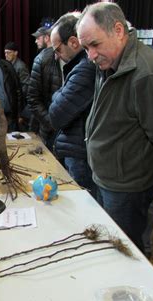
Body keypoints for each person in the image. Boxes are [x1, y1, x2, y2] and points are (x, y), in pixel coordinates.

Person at [77, 2, 153, 253]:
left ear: (118, 30)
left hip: (128, 186)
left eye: (94, 45)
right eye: (85, 47)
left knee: (124, 252)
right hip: (107, 178)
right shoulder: (108, 62)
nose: (90, 55)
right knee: (107, 245)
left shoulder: (147, 73)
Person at [48, 12, 96, 194]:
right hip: (78, 150)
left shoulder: (85, 68)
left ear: (74, 42)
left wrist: (57, 95)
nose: (57, 56)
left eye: (58, 49)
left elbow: (56, 114)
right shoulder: (78, 67)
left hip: (81, 155)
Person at [27, 26, 62, 149]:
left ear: (47, 38)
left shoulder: (43, 58)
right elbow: (33, 98)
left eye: (38, 38)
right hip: (51, 126)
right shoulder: (42, 58)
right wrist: (51, 123)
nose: (36, 41)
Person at [4, 41, 30, 131]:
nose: (6, 55)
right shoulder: (7, 65)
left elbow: (26, 86)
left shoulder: (21, 66)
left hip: (20, 104)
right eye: (5, 53)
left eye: (9, 52)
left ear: (15, 53)